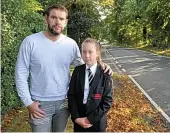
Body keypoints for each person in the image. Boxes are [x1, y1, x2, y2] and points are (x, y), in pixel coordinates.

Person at [15, 4, 112, 132]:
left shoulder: (70, 44)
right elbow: (20, 73)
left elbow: (85, 64)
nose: (57, 22)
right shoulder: (30, 42)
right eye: (53, 17)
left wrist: (101, 65)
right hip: (40, 105)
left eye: (61, 19)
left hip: (64, 103)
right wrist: (28, 102)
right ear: (46, 18)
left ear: (66, 22)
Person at [68, 38, 113, 132]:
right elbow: (71, 96)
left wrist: (90, 119)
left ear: (97, 53)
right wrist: (76, 117)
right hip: (79, 121)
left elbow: (107, 101)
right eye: (84, 52)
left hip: (97, 123)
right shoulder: (77, 71)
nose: (87, 55)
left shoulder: (105, 73)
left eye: (90, 52)